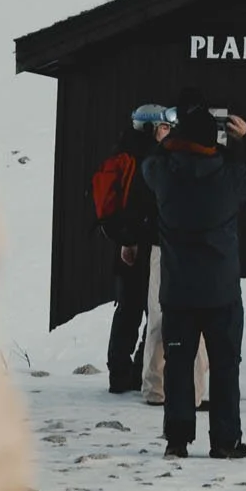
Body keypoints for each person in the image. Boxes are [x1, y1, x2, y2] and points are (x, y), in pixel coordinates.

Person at [139, 105, 246, 459]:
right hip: (221, 292)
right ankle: (225, 441)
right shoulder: (229, 175)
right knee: (225, 366)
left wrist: (164, 140)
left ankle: (177, 440)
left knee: (178, 366)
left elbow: (148, 163)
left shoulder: (163, 174)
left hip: (178, 291)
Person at [102, 106, 168, 394]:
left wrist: (125, 240)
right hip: (144, 245)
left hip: (128, 244)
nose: (168, 132)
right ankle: (136, 370)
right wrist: (131, 241)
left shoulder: (124, 153)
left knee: (129, 311)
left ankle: (119, 373)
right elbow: (143, 204)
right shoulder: (148, 159)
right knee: (149, 310)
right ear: (150, 128)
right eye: (164, 127)